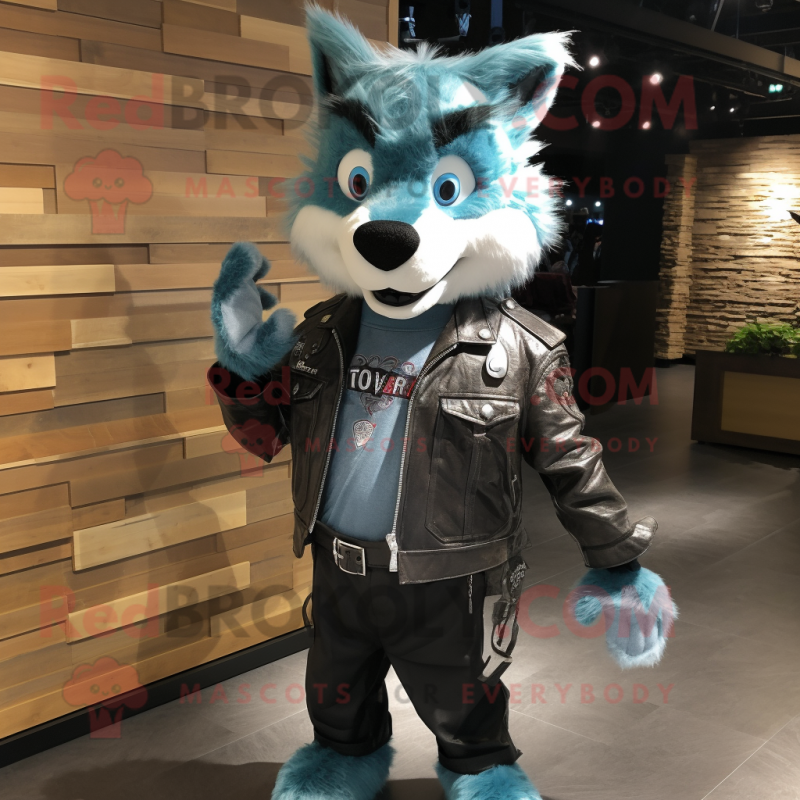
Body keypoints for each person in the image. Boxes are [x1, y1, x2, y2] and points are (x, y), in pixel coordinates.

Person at [207, 10, 676, 800]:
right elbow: (266, 439)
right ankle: (345, 755)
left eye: (446, 188)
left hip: (453, 581)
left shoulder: (521, 348)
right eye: (362, 185)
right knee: (337, 695)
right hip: (339, 570)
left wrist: (619, 564)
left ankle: (481, 770)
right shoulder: (322, 333)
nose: (386, 223)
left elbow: (572, 461)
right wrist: (244, 371)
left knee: (467, 709)